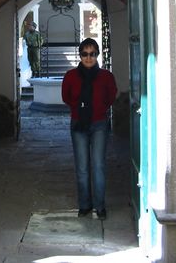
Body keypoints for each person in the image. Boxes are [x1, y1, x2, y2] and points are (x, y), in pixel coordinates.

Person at [62, 37, 117, 219]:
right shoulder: (71, 76)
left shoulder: (106, 76)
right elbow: (67, 97)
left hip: (99, 123)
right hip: (79, 124)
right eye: (85, 54)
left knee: (99, 166)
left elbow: (110, 97)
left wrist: (97, 109)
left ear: (97, 55)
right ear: (80, 55)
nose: (88, 58)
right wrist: (81, 110)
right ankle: (85, 205)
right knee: (82, 167)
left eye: (92, 54)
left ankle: (100, 206)